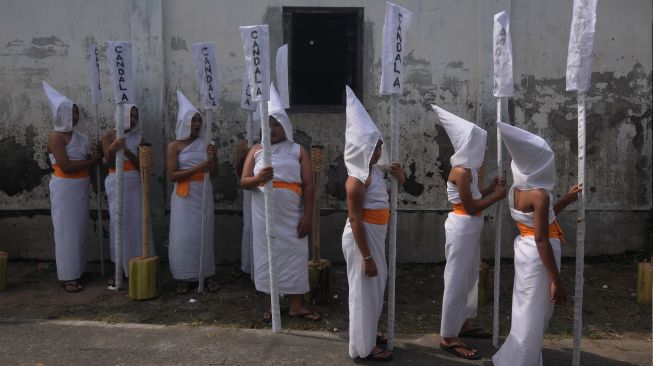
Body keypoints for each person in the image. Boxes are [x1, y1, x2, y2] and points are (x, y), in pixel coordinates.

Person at [492, 121, 579, 366]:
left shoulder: (516, 191)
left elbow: (543, 220)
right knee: (534, 311)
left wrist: (567, 199)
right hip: (540, 255)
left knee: (525, 306)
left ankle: (519, 356)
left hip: (526, 250)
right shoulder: (539, 195)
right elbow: (542, 238)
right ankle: (522, 360)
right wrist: (557, 281)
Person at [431, 105, 506, 360]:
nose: (482, 150)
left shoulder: (470, 170)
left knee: (469, 275)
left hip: (471, 227)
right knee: (456, 279)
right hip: (462, 226)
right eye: (477, 145)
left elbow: (474, 197)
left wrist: (490, 189)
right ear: (466, 145)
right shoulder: (461, 171)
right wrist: (497, 197)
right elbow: (471, 206)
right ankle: (448, 335)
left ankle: (461, 322)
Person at [240, 84, 319, 322]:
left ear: (285, 126)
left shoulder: (297, 151)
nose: (272, 129)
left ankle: (296, 304)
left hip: (292, 214)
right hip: (264, 215)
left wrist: (307, 216)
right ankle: (272, 304)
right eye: (268, 124)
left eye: (277, 124)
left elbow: (308, 185)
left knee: (295, 254)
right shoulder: (255, 150)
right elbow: (244, 181)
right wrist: (259, 178)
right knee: (267, 256)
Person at [341, 86, 406, 361]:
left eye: (379, 146)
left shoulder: (376, 173)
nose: (379, 151)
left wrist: (399, 176)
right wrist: (366, 256)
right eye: (374, 147)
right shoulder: (355, 181)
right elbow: (355, 219)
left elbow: (389, 197)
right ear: (362, 148)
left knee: (375, 290)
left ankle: (368, 333)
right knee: (363, 291)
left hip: (376, 235)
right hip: (362, 239)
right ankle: (363, 348)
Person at [43, 81, 101, 292]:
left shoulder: (82, 137)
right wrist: (93, 161)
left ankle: (79, 269)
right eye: (70, 113)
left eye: (76, 113)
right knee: (66, 230)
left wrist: (96, 154)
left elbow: (84, 159)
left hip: (81, 185)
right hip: (65, 187)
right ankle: (68, 276)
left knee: (79, 229)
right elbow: (66, 166)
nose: (74, 117)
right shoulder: (55, 137)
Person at [167, 91, 220, 294]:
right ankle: (183, 276)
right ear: (184, 122)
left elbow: (214, 172)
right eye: (193, 120)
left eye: (199, 120)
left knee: (204, 235)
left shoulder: (207, 143)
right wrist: (199, 168)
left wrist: (212, 158)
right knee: (183, 236)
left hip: (203, 193)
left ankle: (206, 274)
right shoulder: (174, 146)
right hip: (183, 197)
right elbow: (173, 175)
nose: (197, 124)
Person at [102, 104, 154, 284]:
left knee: (136, 222)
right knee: (119, 223)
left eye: (135, 117)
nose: (132, 120)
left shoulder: (139, 138)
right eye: (129, 116)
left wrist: (127, 151)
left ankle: (137, 264)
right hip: (115, 180)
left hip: (134, 182)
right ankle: (119, 268)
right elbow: (108, 162)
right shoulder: (109, 136)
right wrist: (113, 148)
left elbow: (143, 166)